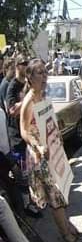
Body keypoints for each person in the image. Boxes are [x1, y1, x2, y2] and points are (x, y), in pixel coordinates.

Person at [20, 59, 81, 242]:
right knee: (55, 195)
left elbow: (49, 119)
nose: (44, 76)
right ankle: (65, 233)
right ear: (29, 77)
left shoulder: (44, 96)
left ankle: (67, 224)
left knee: (61, 190)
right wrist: (37, 145)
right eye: (39, 73)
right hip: (41, 157)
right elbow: (24, 130)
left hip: (55, 150)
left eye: (45, 72)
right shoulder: (28, 101)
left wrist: (58, 132)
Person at [5, 55, 41, 219]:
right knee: (23, 174)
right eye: (23, 63)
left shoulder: (27, 83)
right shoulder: (12, 86)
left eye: (27, 63)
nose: (26, 65)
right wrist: (26, 102)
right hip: (17, 136)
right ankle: (26, 205)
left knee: (32, 171)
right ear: (16, 66)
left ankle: (34, 201)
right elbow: (11, 110)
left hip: (30, 132)